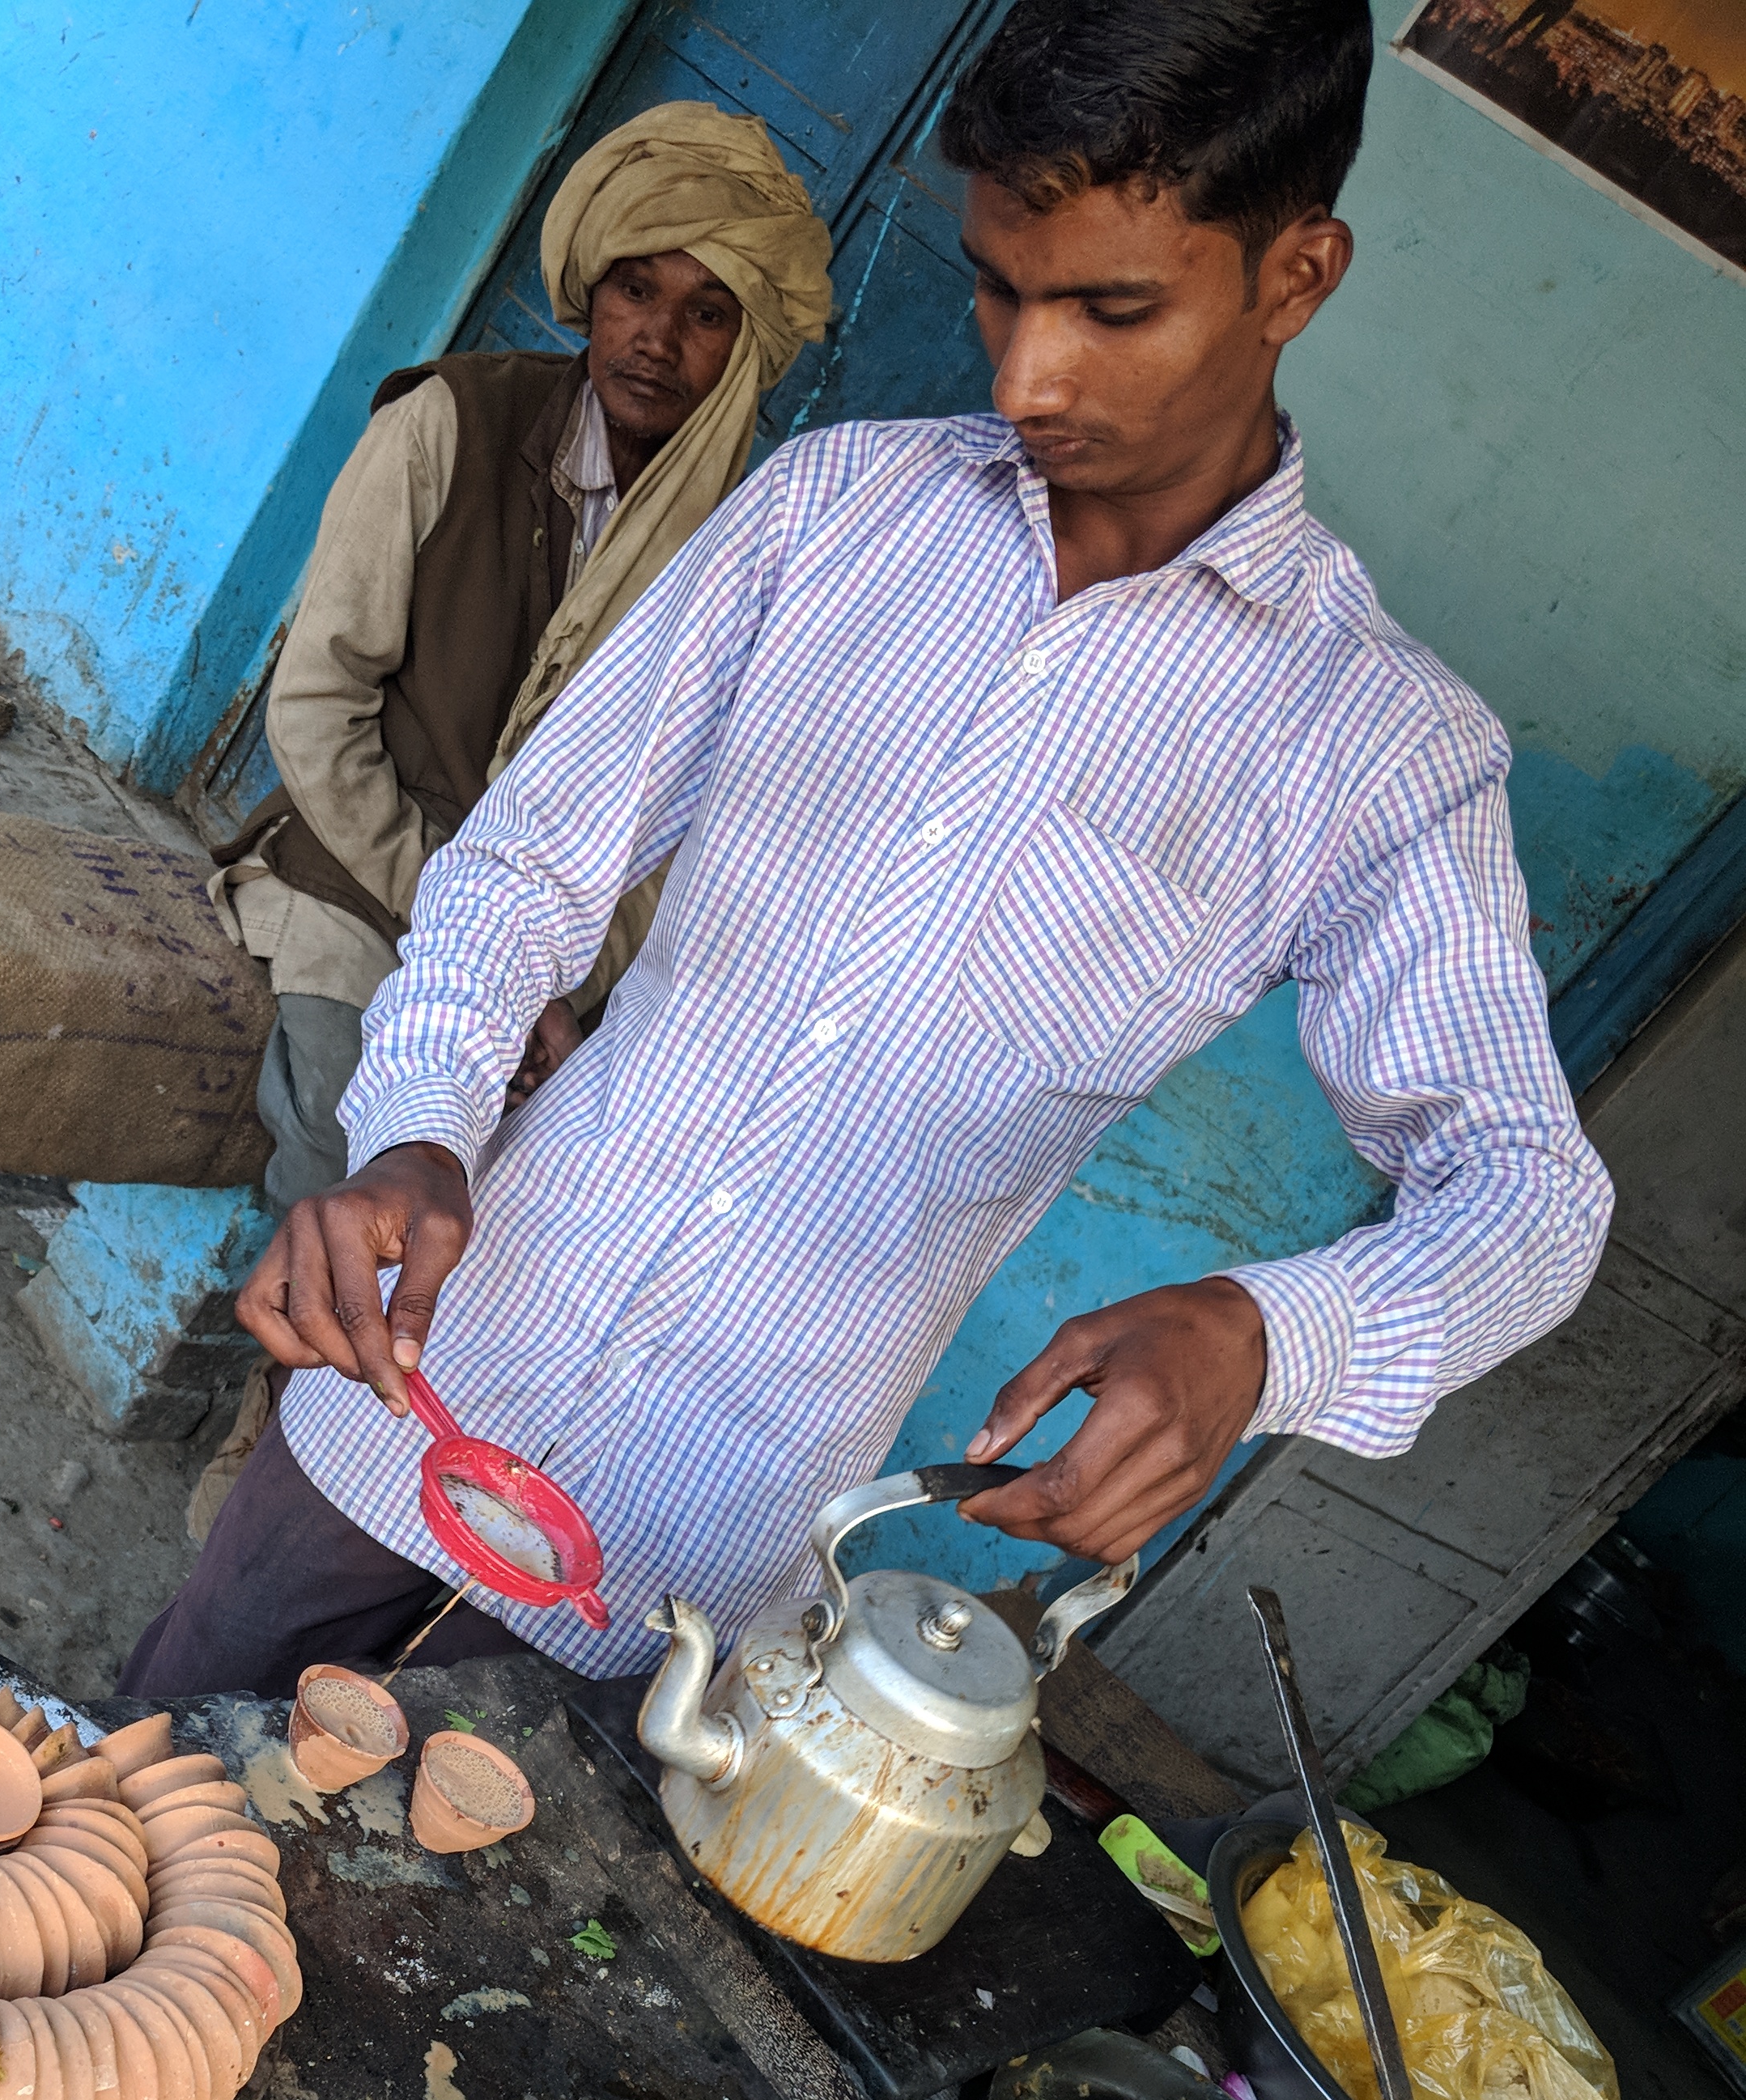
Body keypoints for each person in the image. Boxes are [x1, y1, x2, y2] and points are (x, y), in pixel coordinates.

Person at [124, 0, 1613, 1701]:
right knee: (139, 1796)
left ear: (1296, 277)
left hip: (694, 1541)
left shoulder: (1375, 750)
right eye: (998, 285)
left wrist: (1269, 1337)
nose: (1025, 375)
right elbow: (532, 864)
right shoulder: (837, 508)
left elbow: (1525, 1195)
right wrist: (418, 1131)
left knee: (422, 1926)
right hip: (433, 1366)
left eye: (1112, 308)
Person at [183, 104, 830, 1539]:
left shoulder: (751, 544)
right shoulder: (448, 426)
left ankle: (411, 1485)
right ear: (588, 291)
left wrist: (576, 989)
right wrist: (475, 941)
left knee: (577, 1212)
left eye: (710, 312)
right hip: (365, 892)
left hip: (573, 968)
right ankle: (267, 1433)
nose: (658, 336)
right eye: (635, 289)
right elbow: (318, 712)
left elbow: (693, 822)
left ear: (749, 349)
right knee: (356, 1155)